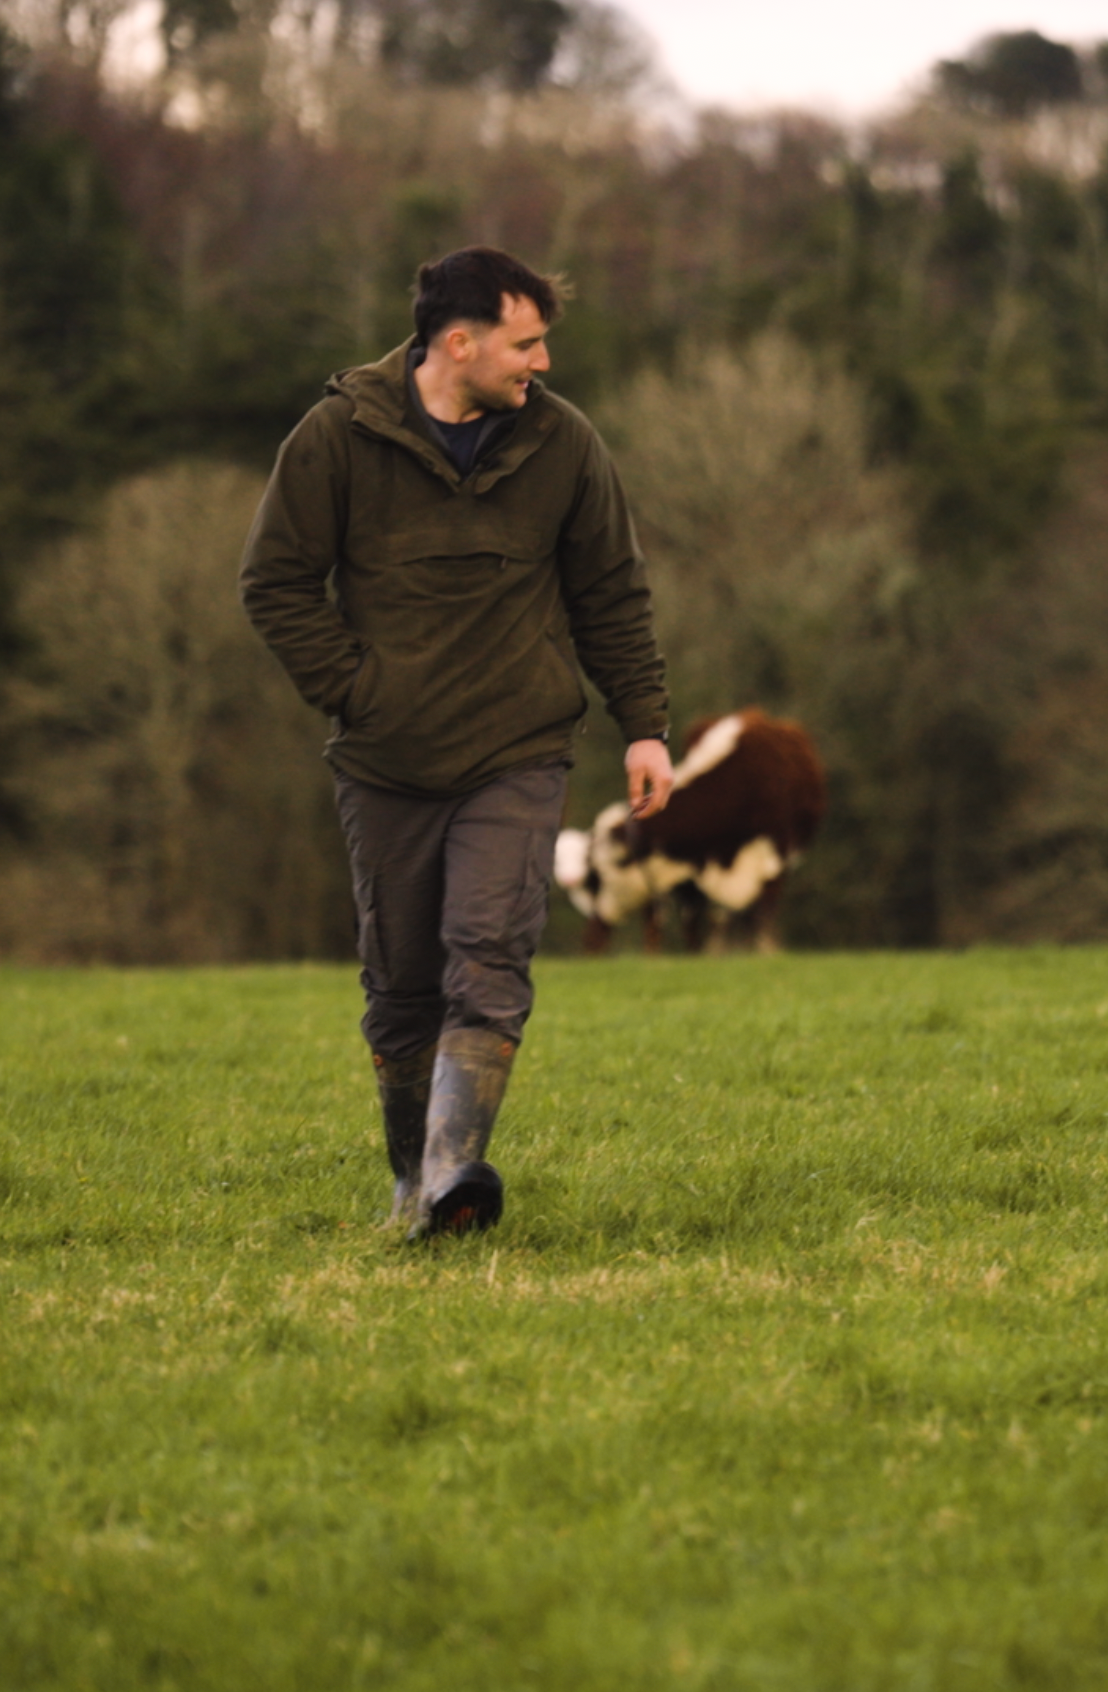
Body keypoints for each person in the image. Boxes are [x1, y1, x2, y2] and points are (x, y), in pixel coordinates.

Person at [240, 246, 672, 1238]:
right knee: (400, 987)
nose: (544, 364)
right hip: (386, 761)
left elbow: (611, 592)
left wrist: (644, 728)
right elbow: (274, 584)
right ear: (459, 342)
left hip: (517, 750)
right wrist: (355, 691)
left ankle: (449, 1177)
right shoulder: (336, 441)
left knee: (489, 953)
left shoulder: (564, 445)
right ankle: (410, 1185)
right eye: (527, 344)